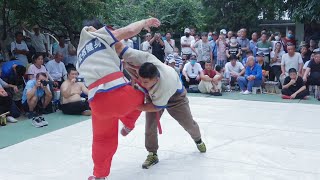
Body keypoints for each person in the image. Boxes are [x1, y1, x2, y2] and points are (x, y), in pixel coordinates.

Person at [78, 18, 160, 180]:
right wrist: (144, 22)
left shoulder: (80, 52)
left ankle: (99, 175)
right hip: (118, 94)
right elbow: (129, 30)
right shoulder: (99, 35)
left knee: (102, 140)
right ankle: (128, 122)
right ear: (95, 28)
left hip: (97, 103)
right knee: (142, 90)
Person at [120, 49, 206, 169]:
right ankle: (152, 153)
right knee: (150, 126)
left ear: (156, 79)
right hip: (153, 96)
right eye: (141, 80)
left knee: (188, 124)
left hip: (176, 99)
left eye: (145, 82)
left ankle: (198, 140)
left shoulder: (165, 83)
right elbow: (120, 46)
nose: (142, 83)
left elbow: (155, 107)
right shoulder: (147, 61)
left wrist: (135, 106)